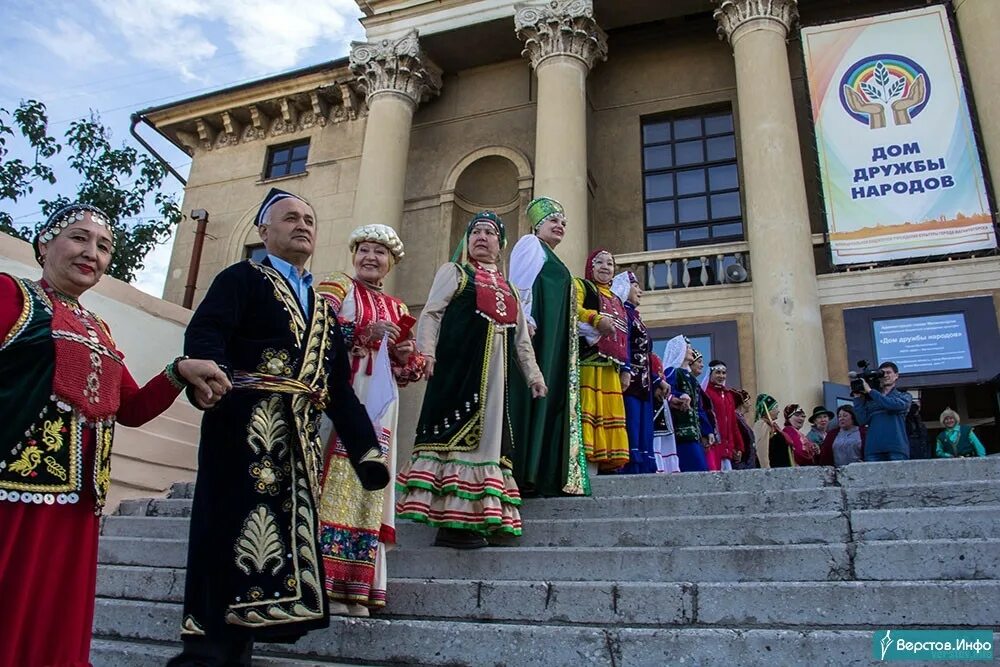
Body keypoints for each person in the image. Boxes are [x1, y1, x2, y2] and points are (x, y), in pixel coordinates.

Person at [0, 202, 229, 667]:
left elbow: (130, 409)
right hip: (15, 493)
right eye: (78, 238)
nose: (92, 252)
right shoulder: (10, 295)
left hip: (79, 502)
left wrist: (178, 371)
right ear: (45, 244)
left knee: (55, 617)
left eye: (104, 247)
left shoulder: (99, 329)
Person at [169, 189, 389, 666]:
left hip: (295, 445)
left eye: (309, 218)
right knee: (223, 536)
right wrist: (204, 370)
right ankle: (201, 655)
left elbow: (336, 388)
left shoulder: (323, 307)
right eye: (290, 217)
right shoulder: (241, 278)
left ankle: (238, 651)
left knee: (264, 554)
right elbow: (207, 332)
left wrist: (366, 450)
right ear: (263, 231)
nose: (303, 224)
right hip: (241, 429)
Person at [396, 211, 547, 548]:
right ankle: (453, 524)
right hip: (458, 373)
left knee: (490, 445)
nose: (481, 236)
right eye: (475, 231)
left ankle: (486, 518)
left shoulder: (509, 288)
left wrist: (534, 376)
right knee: (456, 441)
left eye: (490, 232)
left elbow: (522, 339)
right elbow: (432, 313)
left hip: (495, 380)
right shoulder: (456, 273)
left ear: (500, 244)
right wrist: (427, 354)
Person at [314, 224, 425, 616]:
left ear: (391, 262)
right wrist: (362, 331)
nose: (371, 258)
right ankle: (321, 584)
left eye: (380, 252)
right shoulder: (336, 286)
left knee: (370, 489)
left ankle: (355, 589)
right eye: (364, 250)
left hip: (380, 409)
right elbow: (313, 331)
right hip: (338, 400)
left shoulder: (398, 308)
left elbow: (410, 372)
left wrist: (404, 355)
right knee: (333, 482)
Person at [508, 196, 589, 496]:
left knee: (551, 400)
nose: (560, 226)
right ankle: (525, 470)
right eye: (554, 221)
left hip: (555, 341)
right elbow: (520, 285)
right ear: (538, 225)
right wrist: (524, 318)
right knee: (534, 397)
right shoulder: (530, 246)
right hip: (538, 336)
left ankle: (542, 470)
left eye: (564, 223)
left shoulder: (555, 259)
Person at [575, 249, 630, 472]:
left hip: (612, 368)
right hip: (589, 361)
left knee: (608, 414)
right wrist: (595, 318)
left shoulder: (616, 299)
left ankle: (604, 464)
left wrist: (626, 368)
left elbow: (624, 335)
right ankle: (586, 465)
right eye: (600, 263)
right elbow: (572, 308)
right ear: (591, 266)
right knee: (590, 411)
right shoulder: (582, 286)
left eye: (610, 264)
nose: (606, 267)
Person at [612, 270, 657, 474]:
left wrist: (657, 381)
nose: (640, 291)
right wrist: (626, 369)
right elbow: (624, 345)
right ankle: (630, 468)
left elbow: (646, 354)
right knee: (631, 422)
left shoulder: (636, 316)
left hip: (644, 382)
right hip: (630, 380)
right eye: (635, 285)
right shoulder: (623, 313)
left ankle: (643, 467)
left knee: (643, 426)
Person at [662, 335, 709, 472]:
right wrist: (679, 395)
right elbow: (668, 392)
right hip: (680, 431)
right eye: (688, 347)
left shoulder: (692, 379)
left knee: (701, 468)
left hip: (695, 433)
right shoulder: (672, 372)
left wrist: (707, 431)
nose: (690, 350)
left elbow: (699, 407)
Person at [853, 361, 912, 462]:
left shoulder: (904, 396)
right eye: (882, 373)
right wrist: (858, 398)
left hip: (896, 448)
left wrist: (871, 391)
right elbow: (862, 420)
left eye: (888, 372)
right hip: (873, 449)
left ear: (896, 375)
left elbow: (893, 405)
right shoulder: (871, 399)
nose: (885, 375)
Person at [702, 360, 745, 471]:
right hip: (713, 446)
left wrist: (739, 446)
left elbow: (733, 423)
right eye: (718, 372)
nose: (721, 376)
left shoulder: (728, 395)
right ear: (710, 374)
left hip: (727, 448)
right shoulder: (705, 394)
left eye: (723, 373)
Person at [650, 352, 679, 473]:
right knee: (655, 440)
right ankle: (658, 466)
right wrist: (656, 384)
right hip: (652, 400)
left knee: (664, 440)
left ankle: (667, 468)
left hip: (661, 402)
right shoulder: (648, 356)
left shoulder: (655, 356)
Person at [753, 393, 781, 469]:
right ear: (767, 410)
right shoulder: (762, 425)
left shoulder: (771, 426)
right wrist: (766, 470)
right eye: (775, 407)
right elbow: (762, 451)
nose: (778, 411)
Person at [732, 389, 757, 469]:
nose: (750, 404)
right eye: (748, 401)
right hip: (742, 463)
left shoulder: (741, 419)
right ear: (744, 402)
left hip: (748, 463)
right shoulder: (736, 419)